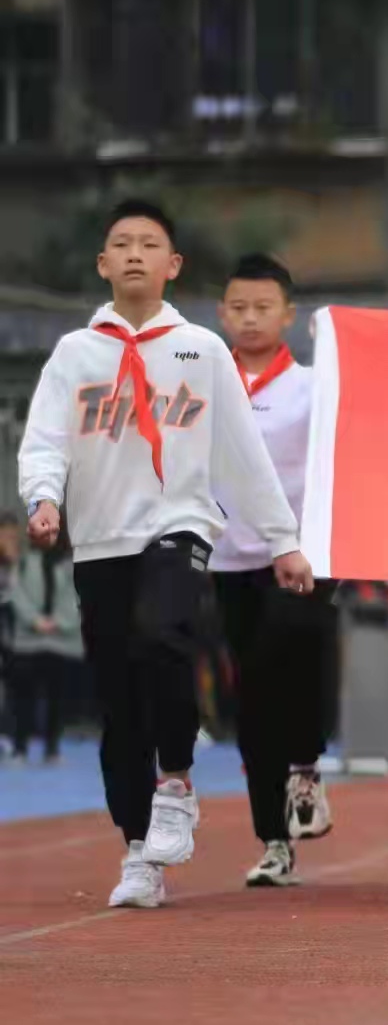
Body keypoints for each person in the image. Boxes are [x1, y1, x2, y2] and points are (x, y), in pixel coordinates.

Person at [17, 199, 312, 911]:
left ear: (172, 265)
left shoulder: (202, 351)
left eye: (150, 243)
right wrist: (42, 498)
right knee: (120, 702)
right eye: (121, 244)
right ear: (103, 265)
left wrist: (283, 541)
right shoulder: (74, 354)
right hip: (99, 538)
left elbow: (241, 453)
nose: (135, 254)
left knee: (164, 635)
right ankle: (136, 851)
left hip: (178, 525)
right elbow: (45, 440)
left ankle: (176, 780)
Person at [206, 254, 341, 888]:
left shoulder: (315, 387)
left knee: (296, 650)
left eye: (264, 308)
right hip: (227, 558)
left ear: (289, 315)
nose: (251, 318)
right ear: (220, 314)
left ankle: (307, 765)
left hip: (302, 555)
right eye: (239, 307)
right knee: (252, 698)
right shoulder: (204, 386)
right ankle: (273, 841)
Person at [8, 521, 84, 765]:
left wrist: (58, 623)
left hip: (62, 643)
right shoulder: (21, 564)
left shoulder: (72, 566)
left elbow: (77, 599)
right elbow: (15, 594)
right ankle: (20, 749)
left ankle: (52, 749)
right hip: (27, 642)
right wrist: (35, 621)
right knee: (23, 699)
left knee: (57, 699)